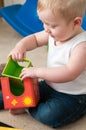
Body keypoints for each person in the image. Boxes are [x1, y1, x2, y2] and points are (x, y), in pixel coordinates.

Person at [1, 0, 86, 128]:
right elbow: (34, 39)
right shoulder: (52, 33)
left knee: (48, 115)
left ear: (76, 23)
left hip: (72, 96)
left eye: (51, 25)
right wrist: (20, 46)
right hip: (49, 85)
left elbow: (69, 72)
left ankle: (26, 107)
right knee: (23, 88)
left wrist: (38, 72)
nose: (46, 29)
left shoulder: (81, 46)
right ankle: (20, 101)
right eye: (43, 23)